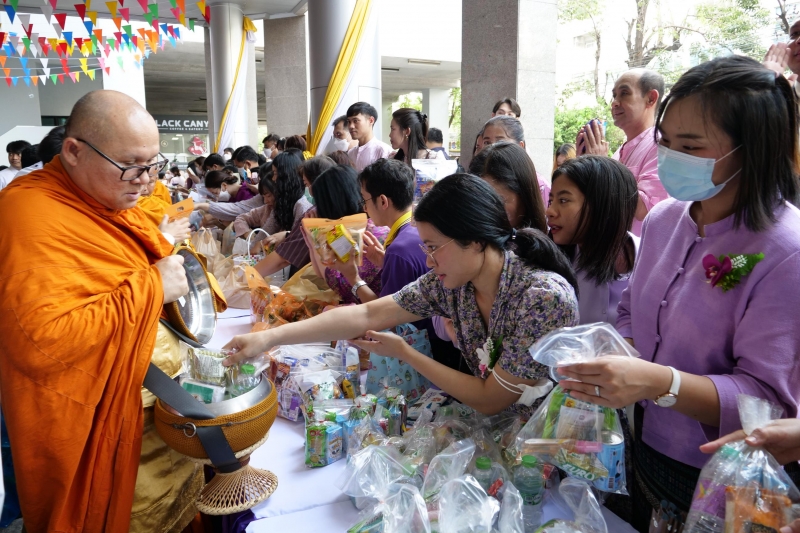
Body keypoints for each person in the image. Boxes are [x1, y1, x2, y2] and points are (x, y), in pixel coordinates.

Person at [557, 56, 800, 531]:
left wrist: (659, 382)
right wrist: (616, 352)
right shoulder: (666, 219)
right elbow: (629, 310)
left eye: (690, 146)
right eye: (665, 142)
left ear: (753, 151)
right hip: (647, 448)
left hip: (723, 471)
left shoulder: (784, 250)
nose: (671, 158)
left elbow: (766, 397)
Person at [224, 173, 579, 419]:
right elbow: (366, 315)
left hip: (549, 445)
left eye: (434, 247)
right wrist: (268, 338)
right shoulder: (453, 282)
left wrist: (405, 353)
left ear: (475, 240)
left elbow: (491, 400)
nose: (427, 260)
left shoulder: (540, 298)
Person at [0, 90, 193, 531]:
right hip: (98, 429)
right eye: (132, 166)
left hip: (155, 418)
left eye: (153, 165)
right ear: (73, 151)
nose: (145, 181)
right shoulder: (27, 213)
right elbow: (39, 341)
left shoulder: (110, 203)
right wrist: (152, 285)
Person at [546, 156, 639, 325]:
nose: (550, 211)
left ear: (602, 205)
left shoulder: (649, 261)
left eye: (563, 200)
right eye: (550, 200)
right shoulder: (551, 269)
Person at [578, 68, 668, 236]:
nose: (615, 103)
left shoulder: (660, 144)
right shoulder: (619, 151)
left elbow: (644, 210)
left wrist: (604, 168)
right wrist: (586, 166)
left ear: (651, 98)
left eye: (624, 93)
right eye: (614, 96)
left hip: (638, 255)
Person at [304, 165, 389, 304]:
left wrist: (315, 237)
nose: (316, 209)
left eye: (318, 203)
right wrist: (313, 239)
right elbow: (321, 273)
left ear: (331, 204)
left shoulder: (369, 233)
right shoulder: (343, 230)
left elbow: (335, 283)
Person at [253, 150, 313, 277]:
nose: (273, 179)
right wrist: (255, 246)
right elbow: (267, 229)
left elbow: (294, 247)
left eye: (275, 173)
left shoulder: (302, 206)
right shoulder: (282, 203)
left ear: (286, 176)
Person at [469, 141, 547, 232]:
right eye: (480, 200)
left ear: (525, 196)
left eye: (498, 201)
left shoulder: (540, 244)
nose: (487, 210)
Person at [480, 116, 551, 209]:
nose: (492, 147)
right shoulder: (480, 176)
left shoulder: (540, 185)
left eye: (500, 141)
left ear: (520, 146)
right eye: (487, 142)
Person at [346, 101, 392, 172]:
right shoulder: (351, 153)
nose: (351, 126)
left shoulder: (384, 152)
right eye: (349, 122)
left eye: (355, 121)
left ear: (371, 120)